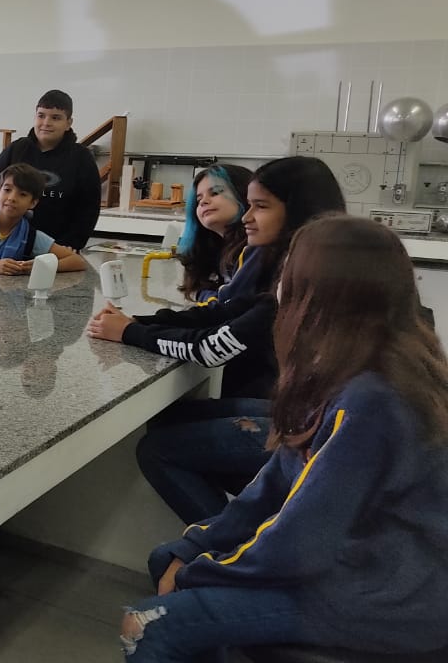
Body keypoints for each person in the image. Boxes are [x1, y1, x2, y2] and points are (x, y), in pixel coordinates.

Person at [119, 216, 448, 662]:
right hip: (358, 563)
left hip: (387, 598)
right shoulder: (343, 367)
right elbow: (275, 484)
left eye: (287, 275)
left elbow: (302, 539)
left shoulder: (371, 398)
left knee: (148, 627)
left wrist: (203, 572)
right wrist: (194, 547)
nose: (278, 288)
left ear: (320, 292)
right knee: (167, 559)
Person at [86, 156, 347, 524]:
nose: (247, 217)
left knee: (158, 450)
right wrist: (136, 322)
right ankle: (260, 523)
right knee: (170, 417)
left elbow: (211, 349)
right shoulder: (295, 264)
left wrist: (130, 333)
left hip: (324, 430)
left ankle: (240, 546)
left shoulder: (308, 279)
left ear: (296, 211)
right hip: (312, 412)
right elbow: (227, 311)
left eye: (260, 206)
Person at [0, 89, 102, 250]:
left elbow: (88, 210)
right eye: (41, 115)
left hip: (57, 250)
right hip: (6, 246)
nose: (46, 123)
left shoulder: (82, 158)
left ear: (68, 123)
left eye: (55, 118)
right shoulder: (16, 150)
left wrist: (69, 246)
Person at [0, 163, 87, 275]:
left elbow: (78, 261)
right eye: (7, 190)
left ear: (33, 203)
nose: (12, 198)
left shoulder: (31, 236)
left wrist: (41, 266)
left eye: (22, 194)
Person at [174, 164, 253, 303]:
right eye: (198, 200)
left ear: (245, 195)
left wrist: (206, 296)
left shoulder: (254, 249)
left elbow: (231, 305)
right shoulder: (214, 249)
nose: (204, 202)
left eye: (215, 192)